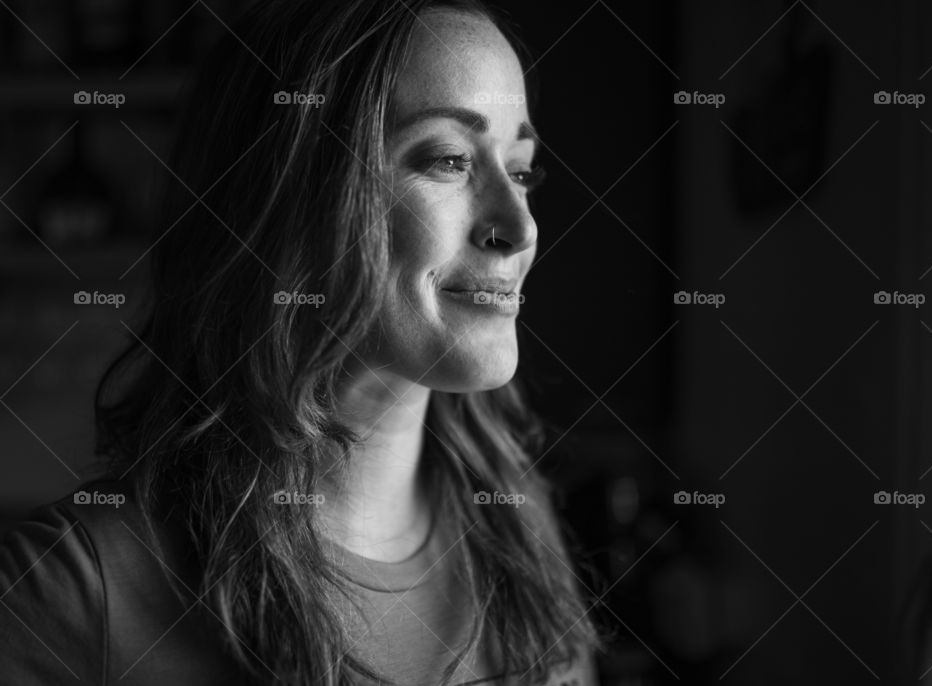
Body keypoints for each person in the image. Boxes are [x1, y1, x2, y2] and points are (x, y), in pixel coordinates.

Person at [0, 0, 607, 683]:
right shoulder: (69, 596)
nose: (519, 226)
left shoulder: (518, 528)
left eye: (520, 169)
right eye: (449, 160)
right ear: (290, 195)